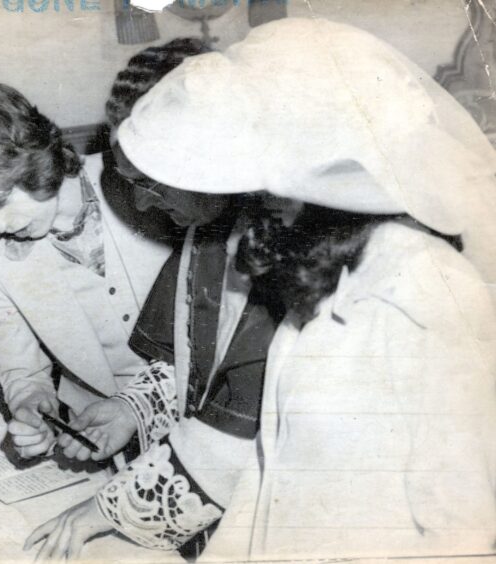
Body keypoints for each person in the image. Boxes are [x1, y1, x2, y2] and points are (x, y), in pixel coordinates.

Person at [25, 18, 496, 561]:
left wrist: (114, 510)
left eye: (271, 188)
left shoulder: (427, 288)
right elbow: (273, 472)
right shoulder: (310, 269)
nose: (256, 201)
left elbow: (460, 521)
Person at [0, 83, 171, 459]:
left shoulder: (139, 177)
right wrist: (30, 405)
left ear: (35, 163)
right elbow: (23, 370)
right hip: (100, 438)